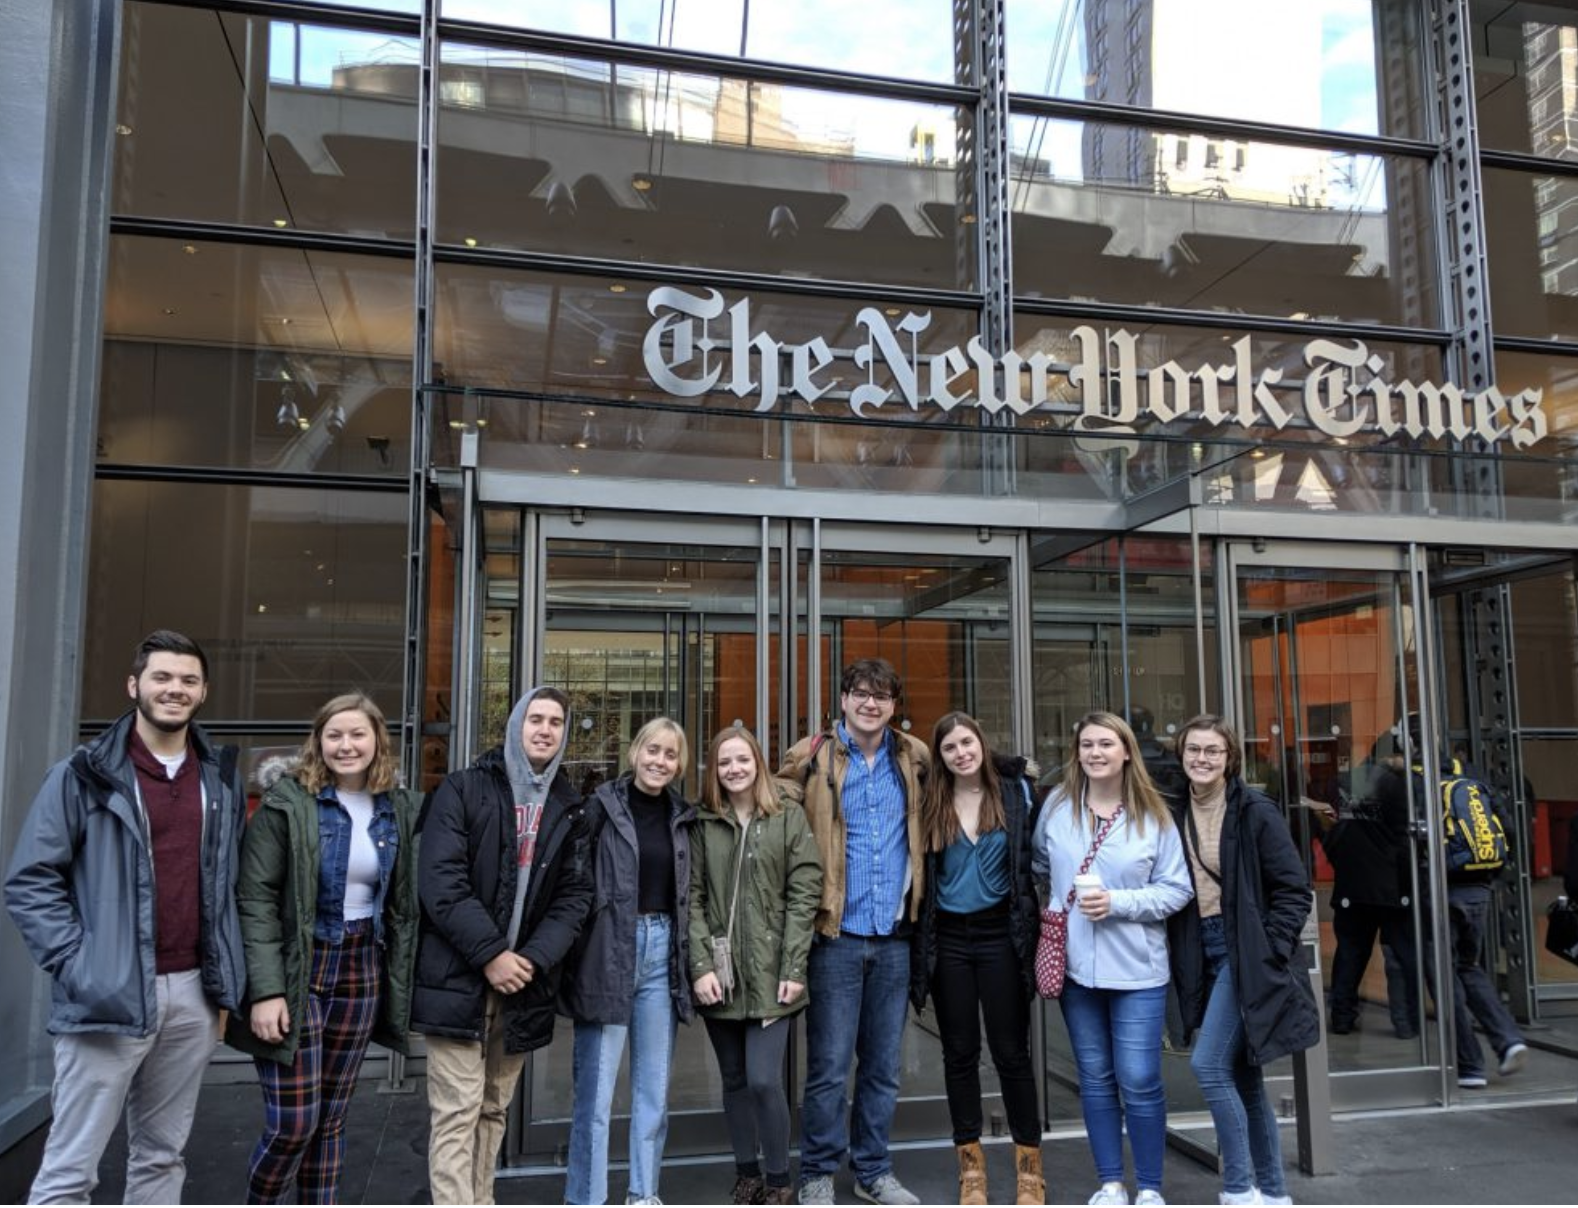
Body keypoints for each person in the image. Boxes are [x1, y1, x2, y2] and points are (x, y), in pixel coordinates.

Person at [5, 629, 247, 1205]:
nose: (175, 689)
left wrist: (222, 983)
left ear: (204, 691)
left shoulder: (218, 779)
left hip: (192, 994)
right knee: (70, 1170)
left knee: (162, 1157)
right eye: (162, 677)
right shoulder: (82, 774)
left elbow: (227, 884)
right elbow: (30, 881)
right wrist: (80, 966)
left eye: (188, 680)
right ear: (134, 684)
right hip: (106, 996)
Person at [226, 693, 421, 1203]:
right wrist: (266, 991)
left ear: (378, 739)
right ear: (318, 741)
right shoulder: (288, 802)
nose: (346, 745)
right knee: (294, 1124)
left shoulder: (396, 806)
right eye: (334, 734)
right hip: (298, 968)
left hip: (363, 965)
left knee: (331, 1120)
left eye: (358, 734)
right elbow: (255, 898)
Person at [412, 686, 593, 1205]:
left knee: (493, 1107)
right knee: (456, 1112)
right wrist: (492, 954)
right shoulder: (464, 789)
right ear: (515, 725)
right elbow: (441, 884)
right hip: (458, 977)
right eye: (535, 718)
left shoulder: (569, 807)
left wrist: (530, 960)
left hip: (522, 985)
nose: (545, 729)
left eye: (556, 722)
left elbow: (574, 897)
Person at [778, 657, 931, 1207]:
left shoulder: (913, 758)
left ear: (894, 706)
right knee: (828, 1067)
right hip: (834, 936)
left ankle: (873, 1169)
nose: (871, 703)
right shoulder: (812, 754)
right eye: (861, 694)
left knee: (883, 1067)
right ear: (842, 700)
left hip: (894, 938)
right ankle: (817, 1172)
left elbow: (966, 779)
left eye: (883, 696)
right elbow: (772, 806)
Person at [1031, 710, 1192, 1208]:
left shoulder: (1154, 815)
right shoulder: (1057, 807)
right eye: (1086, 745)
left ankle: (1148, 1187)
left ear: (1126, 752)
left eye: (1105, 744)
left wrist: (1119, 903)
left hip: (1138, 970)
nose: (1095, 753)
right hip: (1077, 969)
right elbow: (1040, 863)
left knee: (1140, 1078)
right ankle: (1110, 1184)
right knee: (1095, 1078)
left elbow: (1177, 889)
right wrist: (1058, 907)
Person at [1165, 715, 1319, 1206]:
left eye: (1213, 751)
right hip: (1201, 949)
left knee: (1209, 1066)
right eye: (1194, 750)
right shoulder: (1174, 808)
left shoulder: (1254, 809)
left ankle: (1238, 1188)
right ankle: (1273, 1193)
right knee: (1244, 1077)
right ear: (1181, 754)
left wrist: (1269, 948)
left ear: (1230, 758)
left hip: (1244, 950)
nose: (1202, 759)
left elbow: (1294, 889)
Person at [910, 712, 1044, 1206]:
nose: (961, 753)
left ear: (982, 745)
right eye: (950, 748)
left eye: (968, 742)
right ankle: (971, 1171)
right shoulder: (930, 800)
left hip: (1000, 937)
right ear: (939, 757)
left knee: (1012, 1054)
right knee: (959, 1055)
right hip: (948, 940)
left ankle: (1030, 1171)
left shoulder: (1016, 793)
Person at [562, 717, 697, 1206]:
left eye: (670, 754)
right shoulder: (599, 807)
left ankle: (644, 1194)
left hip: (662, 954)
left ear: (679, 764)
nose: (659, 761)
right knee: (595, 1102)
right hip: (608, 954)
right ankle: (587, 1198)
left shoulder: (683, 816)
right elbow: (573, 884)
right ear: (635, 751)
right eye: (652, 750)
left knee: (652, 1095)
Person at [689, 726, 822, 1206]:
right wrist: (701, 964)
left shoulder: (787, 817)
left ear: (758, 764)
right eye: (724, 762)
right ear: (714, 770)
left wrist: (793, 967)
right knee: (734, 1080)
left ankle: (779, 1177)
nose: (734, 769)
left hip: (772, 972)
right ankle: (747, 1174)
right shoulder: (703, 822)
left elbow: (805, 891)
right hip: (720, 974)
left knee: (764, 1079)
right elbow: (693, 899)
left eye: (742, 759)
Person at [1316, 742, 1420, 1039]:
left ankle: (1342, 1017)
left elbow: (1328, 830)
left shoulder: (1344, 781)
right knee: (1398, 954)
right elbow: (1404, 839)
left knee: (1350, 951)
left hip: (1351, 882)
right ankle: (1405, 1022)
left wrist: (1342, 864)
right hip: (1391, 885)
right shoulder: (1399, 785)